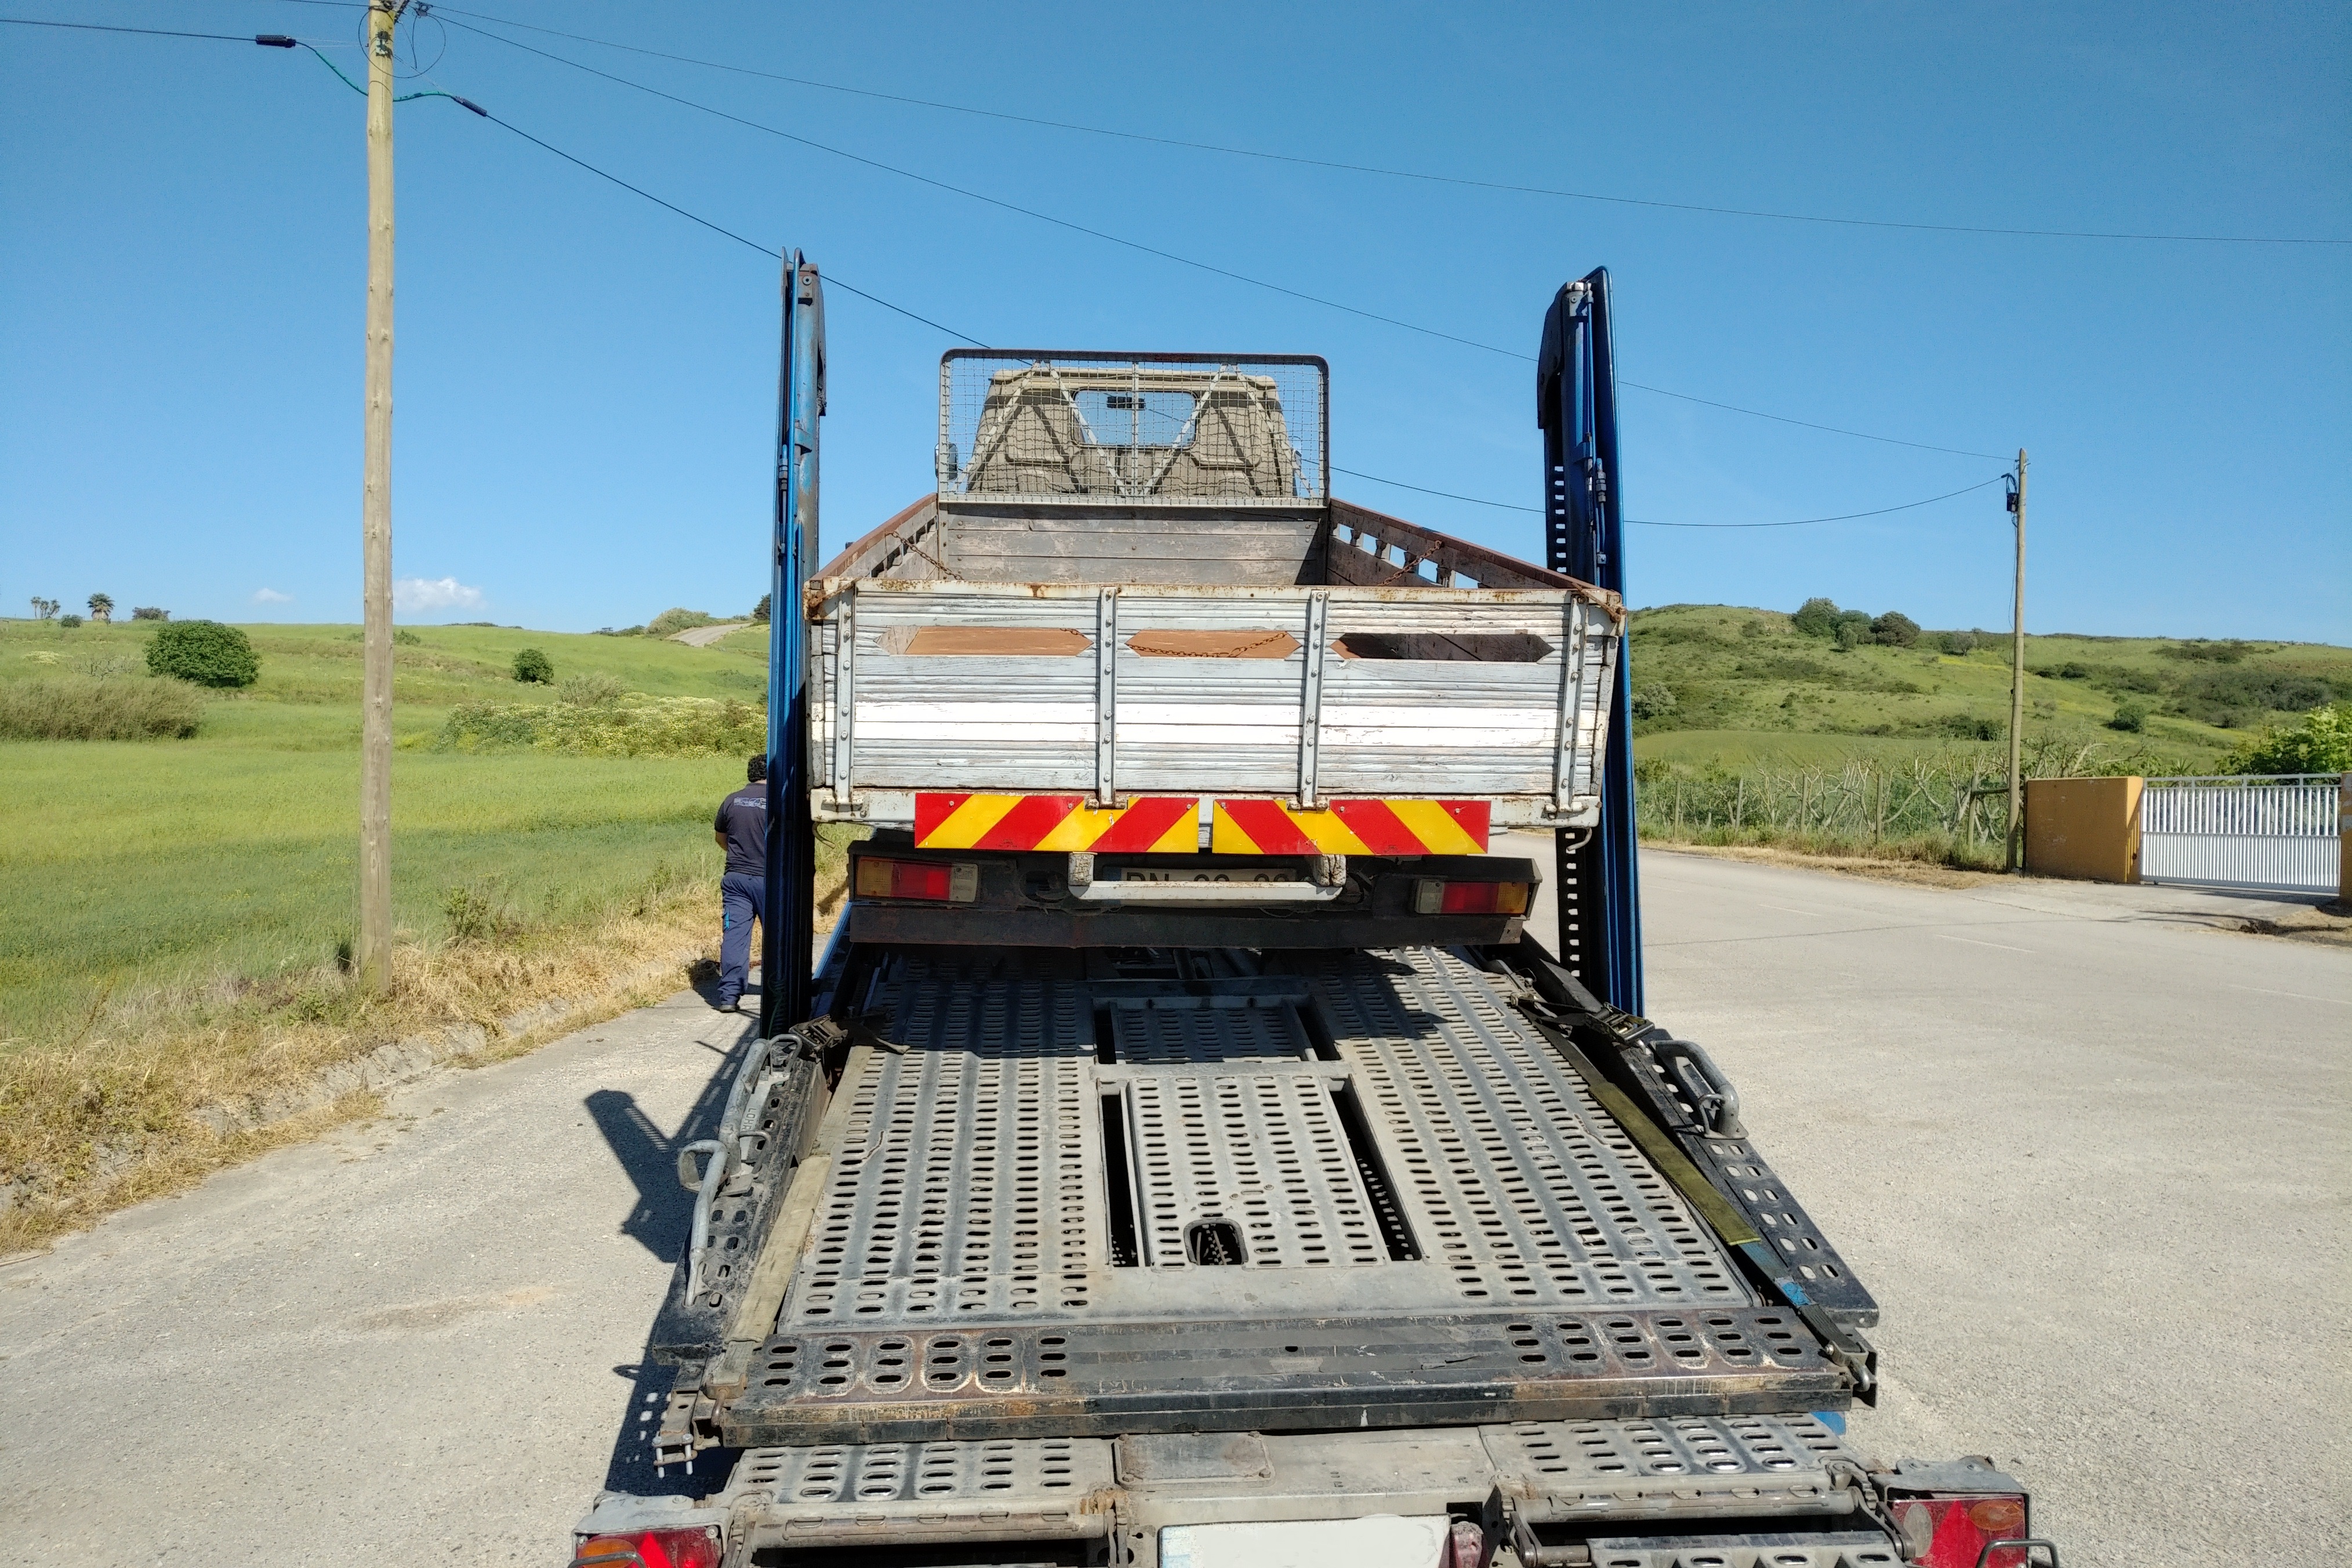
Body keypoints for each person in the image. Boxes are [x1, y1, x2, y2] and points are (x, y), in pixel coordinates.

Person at [712, 755, 770, 1013]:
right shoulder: (781, 801)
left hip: (736, 880)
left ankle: (728, 997)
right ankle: (782, 993)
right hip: (771, 880)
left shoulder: (731, 800)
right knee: (780, 939)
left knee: (735, 937)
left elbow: (721, 839)